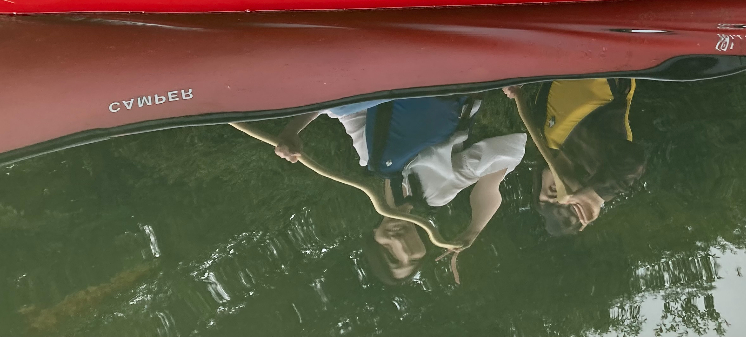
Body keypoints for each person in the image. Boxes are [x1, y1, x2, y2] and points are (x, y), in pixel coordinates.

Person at [271, 96, 526, 283]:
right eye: (411, 259)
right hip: (450, 84)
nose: (401, 246)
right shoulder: (437, 192)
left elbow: (335, 103)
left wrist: (293, 130)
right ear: (424, 247)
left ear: (374, 235)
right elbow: (504, 153)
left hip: (401, 75)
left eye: (390, 255)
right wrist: (473, 230)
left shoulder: (368, 154)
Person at [507, 78, 647, 235]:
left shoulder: (543, 137)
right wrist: (597, 194)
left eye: (546, 202)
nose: (557, 199)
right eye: (569, 207)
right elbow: (634, 162)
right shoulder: (600, 156)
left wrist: (516, 82)